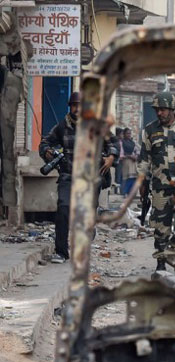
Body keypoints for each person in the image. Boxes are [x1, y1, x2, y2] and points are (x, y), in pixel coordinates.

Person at [39, 92, 117, 264]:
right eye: (74, 105)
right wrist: (47, 152)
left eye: (80, 106)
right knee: (64, 208)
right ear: (70, 107)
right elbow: (45, 142)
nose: (77, 109)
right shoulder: (62, 127)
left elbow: (113, 143)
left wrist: (111, 157)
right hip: (68, 176)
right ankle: (61, 252)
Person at [137, 92, 175, 271]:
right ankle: (161, 263)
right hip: (160, 186)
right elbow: (144, 158)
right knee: (161, 226)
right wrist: (142, 181)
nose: (159, 113)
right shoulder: (150, 130)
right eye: (157, 110)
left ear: (172, 109)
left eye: (163, 109)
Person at [119, 127, 139, 196]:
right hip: (125, 162)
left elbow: (137, 151)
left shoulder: (132, 142)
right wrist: (129, 156)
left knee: (132, 177)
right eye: (127, 133)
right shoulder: (121, 142)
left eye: (130, 133)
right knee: (126, 177)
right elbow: (121, 155)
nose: (129, 135)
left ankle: (130, 192)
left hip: (132, 162)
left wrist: (135, 156)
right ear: (124, 134)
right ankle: (124, 192)